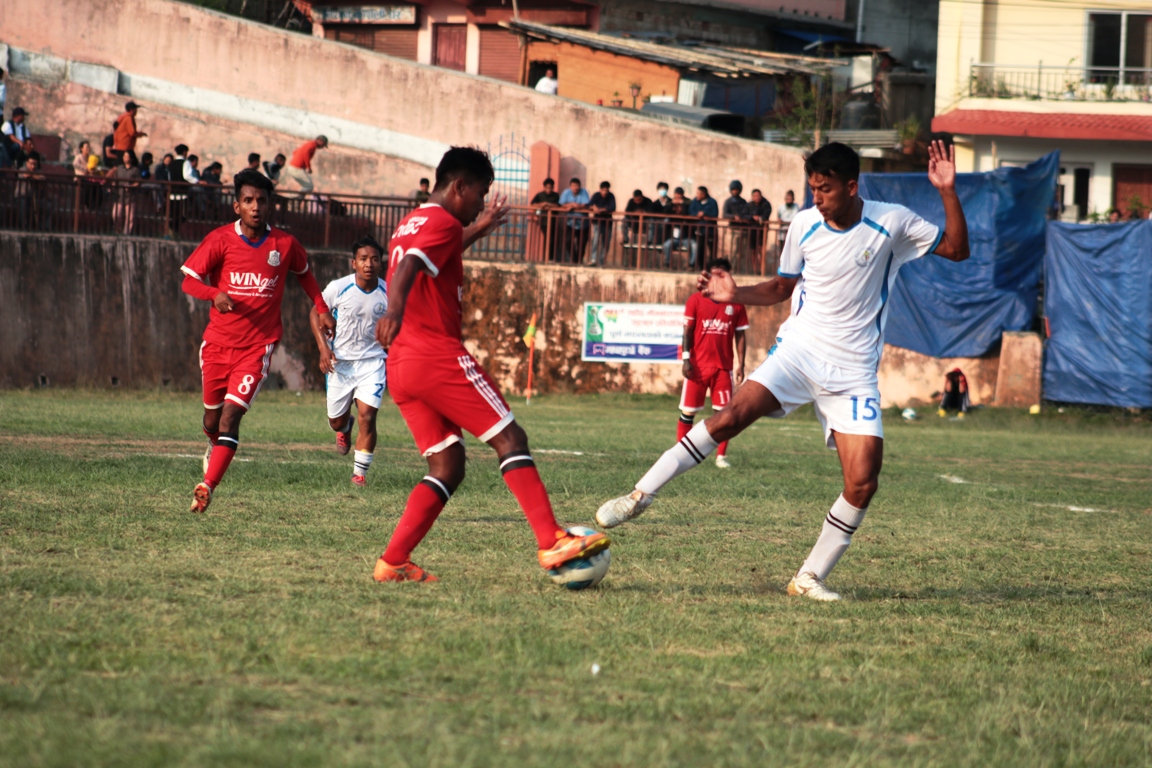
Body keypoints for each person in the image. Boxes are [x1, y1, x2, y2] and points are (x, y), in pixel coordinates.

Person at [595, 141, 970, 602]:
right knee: (730, 416)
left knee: (863, 480)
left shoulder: (891, 221)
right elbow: (780, 287)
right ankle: (639, 497)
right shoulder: (805, 224)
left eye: (826, 189)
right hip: (798, 353)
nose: (817, 198)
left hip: (853, 372)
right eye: (813, 188)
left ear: (852, 187)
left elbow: (956, 249)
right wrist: (733, 296)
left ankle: (808, 577)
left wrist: (948, 190)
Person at [372, 146, 609, 583]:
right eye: (481, 193)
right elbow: (407, 268)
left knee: (448, 465)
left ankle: (393, 562)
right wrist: (395, 308)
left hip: (402, 365)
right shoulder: (441, 221)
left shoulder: (413, 221)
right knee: (510, 437)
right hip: (434, 354)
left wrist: (478, 229)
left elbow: (428, 252)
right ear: (458, 186)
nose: (483, 201)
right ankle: (551, 541)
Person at [180, 169, 335, 514]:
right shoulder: (220, 240)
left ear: (270, 205)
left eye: (261, 201)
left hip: (258, 346)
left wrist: (322, 308)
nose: (255, 206)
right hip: (217, 345)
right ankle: (212, 443)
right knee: (212, 420)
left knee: (231, 418)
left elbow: (305, 275)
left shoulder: (284, 244)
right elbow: (189, 281)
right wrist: (214, 293)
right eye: (248, 200)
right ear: (237, 205)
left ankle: (208, 486)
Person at [311, 236, 389, 486]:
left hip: (373, 363)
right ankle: (344, 428)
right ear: (353, 263)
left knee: (368, 416)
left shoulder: (388, 293)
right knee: (335, 420)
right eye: (364, 259)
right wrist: (324, 349)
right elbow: (315, 312)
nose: (369, 264)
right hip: (340, 363)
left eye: (374, 259)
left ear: (381, 263)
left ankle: (359, 475)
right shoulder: (338, 287)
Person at [678, 257, 749, 468]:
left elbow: (741, 336)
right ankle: (682, 454)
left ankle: (721, 456)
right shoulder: (695, 300)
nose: (717, 279)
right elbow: (687, 332)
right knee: (688, 412)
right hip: (697, 368)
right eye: (713, 275)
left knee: (725, 415)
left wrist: (741, 365)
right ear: (706, 276)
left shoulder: (736, 304)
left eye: (722, 275)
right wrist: (686, 359)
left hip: (722, 368)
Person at [107, 150, 143, 234]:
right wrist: (112, 187)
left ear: (131, 158)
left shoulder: (135, 170)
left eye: (127, 156)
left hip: (130, 196)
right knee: (116, 215)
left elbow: (138, 182)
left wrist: (131, 186)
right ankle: (118, 230)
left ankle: (126, 233)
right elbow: (115, 180)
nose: (125, 158)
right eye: (124, 156)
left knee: (130, 217)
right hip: (119, 195)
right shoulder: (119, 168)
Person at [558, 177, 590, 264]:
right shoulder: (566, 192)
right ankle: (574, 260)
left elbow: (584, 205)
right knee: (568, 241)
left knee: (582, 243)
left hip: (583, 223)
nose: (575, 188)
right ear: (570, 186)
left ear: (579, 186)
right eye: (573, 186)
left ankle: (579, 261)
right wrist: (572, 204)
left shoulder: (584, 192)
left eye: (577, 186)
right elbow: (561, 204)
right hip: (570, 222)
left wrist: (573, 206)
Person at [530, 177, 561, 261]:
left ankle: (550, 258)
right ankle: (547, 258)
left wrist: (548, 204)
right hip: (543, 220)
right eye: (547, 187)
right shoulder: (540, 195)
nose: (548, 189)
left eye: (550, 188)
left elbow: (558, 205)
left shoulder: (555, 195)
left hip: (553, 221)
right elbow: (533, 204)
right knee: (548, 238)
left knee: (552, 239)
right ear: (544, 187)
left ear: (553, 187)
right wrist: (542, 204)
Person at [14, 151, 48, 229]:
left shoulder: (38, 171)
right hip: (21, 196)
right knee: (22, 203)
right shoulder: (22, 169)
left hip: (34, 197)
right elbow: (25, 175)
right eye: (31, 163)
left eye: (35, 164)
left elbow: (42, 178)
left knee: (47, 205)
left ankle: (43, 228)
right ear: (27, 162)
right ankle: (23, 227)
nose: (33, 166)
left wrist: (32, 176)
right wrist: (34, 176)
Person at [661, 186, 692, 267]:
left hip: (685, 234)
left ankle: (691, 265)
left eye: (680, 194)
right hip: (673, 234)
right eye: (676, 194)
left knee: (693, 245)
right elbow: (665, 213)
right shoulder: (670, 202)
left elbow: (687, 214)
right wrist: (672, 204)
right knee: (666, 245)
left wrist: (683, 204)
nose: (678, 196)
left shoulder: (688, 202)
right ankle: (667, 263)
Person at [689, 186, 718, 269]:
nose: (697, 195)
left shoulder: (712, 202)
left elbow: (715, 213)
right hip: (699, 230)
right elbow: (691, 211)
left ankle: (712, 267)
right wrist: (697, 215)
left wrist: (705, 213)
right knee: (700, 249)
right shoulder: (695, 201)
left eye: (699, 193)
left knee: (712, 251)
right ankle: (701, 267)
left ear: (704, 194)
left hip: (710, 231)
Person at [588, 180, 616, 266]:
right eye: (603, 190)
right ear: (600, 190)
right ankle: (593, 259)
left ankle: (601, 261)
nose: (604, 192)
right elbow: (589, 205)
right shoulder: (596, 195)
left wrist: (601, 209)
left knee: (606, 243)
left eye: (606, 190)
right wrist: (593, 207)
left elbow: (612, 207)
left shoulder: (611, 196)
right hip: (597, 222)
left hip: (607, 223)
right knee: (595, 240)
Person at [722, 180, 750, 265]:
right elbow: (724, 214)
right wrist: (733, 217)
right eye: (733, 189)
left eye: (737, 189)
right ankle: (731, 268)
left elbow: (747, 213)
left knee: (742, 252)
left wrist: (743, 217)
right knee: (732, 250)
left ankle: (739, 268)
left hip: (743, 229)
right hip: (733, 229)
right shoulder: (728, 202)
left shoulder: (743, 202)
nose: (735, 191)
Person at [747, 188, 773, 268]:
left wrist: (760, 218)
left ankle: (761, 268)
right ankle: (754, 268)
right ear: (752, 197)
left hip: (762, 231)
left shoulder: (766, 204)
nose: (757, 197)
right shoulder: (749, 205)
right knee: (753, 250)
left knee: (761, 250)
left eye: (758, 195)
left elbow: (766, 214)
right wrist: (752, 217)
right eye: (755, 196)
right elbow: (744, 215)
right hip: (752, 231)